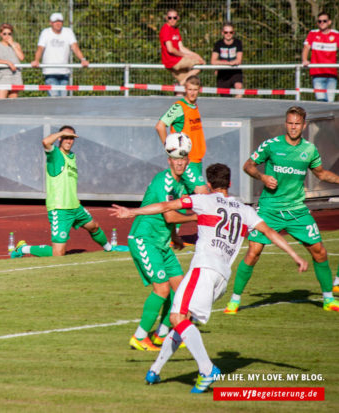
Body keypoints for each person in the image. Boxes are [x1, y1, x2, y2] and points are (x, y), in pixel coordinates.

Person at [112, 163, 308, 393]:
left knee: (176, 317)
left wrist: (132, 212)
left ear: (208, 185)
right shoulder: (244, 209)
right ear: (230, 183)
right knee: (183, 322)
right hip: (222, 278)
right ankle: (155, 370)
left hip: (203, 269)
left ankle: (206, 369)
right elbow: (271, 232)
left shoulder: (204, 200)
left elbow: (166, 206)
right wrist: (295, 255)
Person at [224, 106, 339, 315]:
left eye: (297, 124)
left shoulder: (309, 150)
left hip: (297, 210)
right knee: (254, 252)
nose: (293, 127)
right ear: (285, 123)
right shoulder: (271, 145)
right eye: (290, 123)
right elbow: (248, 165)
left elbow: (321, 174)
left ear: (304, 126)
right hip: (269, 209)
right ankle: (234, 300)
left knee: (319, 252)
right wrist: (262, 177)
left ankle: (328, 299)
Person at [109, 134, 197, 352]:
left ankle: (162, 334)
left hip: (162, 243)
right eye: (175, 159)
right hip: (144, 239)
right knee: (162, 288)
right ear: (169, 161)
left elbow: (170, 218)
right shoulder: (165, 181)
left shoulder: (182, 184)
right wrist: (197, 217)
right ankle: (139, 337)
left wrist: (175, 237)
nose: (179, 162)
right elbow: (169, 216)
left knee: (181, 288)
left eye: (183, 159)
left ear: (187, 161)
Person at [10, 126, 114, 258]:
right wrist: (61, 132)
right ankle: (23, 249)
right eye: (66, 137)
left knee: (93, 226)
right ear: (60, 138)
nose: (69, 141)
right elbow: (45, 142)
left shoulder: (72, 156)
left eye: (71, 138)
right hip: (60, 209)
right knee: (58, 254)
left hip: (75, 206)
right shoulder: (55, 155)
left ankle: (110, 249)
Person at [155, 75, 208, 194]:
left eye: (195, 90)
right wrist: (170, 148)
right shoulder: (179, 107)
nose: (192, 93)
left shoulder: (194, 106)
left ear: (199, 90)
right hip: (187, 161)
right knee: (204, 195)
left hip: (197, 160)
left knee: (184, 198)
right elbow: (160, 126)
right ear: (185, 89)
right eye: (190, 90)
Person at [31, 12, 89, 97]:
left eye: (60, 21)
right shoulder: (46, 33)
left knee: (63, 99)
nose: (58, 24)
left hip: (64, 72)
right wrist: (36, 60)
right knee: (54, 99)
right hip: (50, 72)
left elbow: (75, 48)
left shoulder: (68, 32)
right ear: (50, 23)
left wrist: (83, 59)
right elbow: (40, 48)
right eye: (55, 21)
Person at [159, 9, 205, 89]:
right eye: (170, 18)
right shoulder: (166, 29)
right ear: (166, 18)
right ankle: (181, 83)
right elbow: (171, 49)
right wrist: (187, 56)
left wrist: (195, 55)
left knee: (187, 85)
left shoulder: (175, 29)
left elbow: (181, 47)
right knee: (202, 63)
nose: (172, 20)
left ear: (178, 18)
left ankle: (180, 87)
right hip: (173, 61)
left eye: (174, 18)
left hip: (177, 59)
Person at [301, 12, 339, 102]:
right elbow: (306, 47)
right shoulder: (313, 33)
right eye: (319, 21)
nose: (322, 23)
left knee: (330, 102)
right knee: (321, 100)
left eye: (324, 21)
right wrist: (305, 60)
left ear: (329, 22)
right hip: (317, 73)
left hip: (331, 74)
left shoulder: (336, 34)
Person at [0, 23, 24, 99]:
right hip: (3, 76)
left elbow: (21, 57)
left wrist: (12, 44)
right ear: (1, 34)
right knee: (1, 102)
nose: (7, 36)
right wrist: (7, 62)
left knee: (13, 103)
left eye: (9, 34)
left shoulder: (16, 45)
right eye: (4, 34)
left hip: (15, 75)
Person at [210, 22, 243, 98]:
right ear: (222, 33)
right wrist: (228, 63)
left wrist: (231, 63)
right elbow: (213, 61)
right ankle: (230, 108)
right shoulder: (218, 44)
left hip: (235, 71)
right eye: (226, 32)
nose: (228, 34)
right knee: (225, 97)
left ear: (233, 33)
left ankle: (237, 107)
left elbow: (239, 60)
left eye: (231, 32)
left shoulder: (238, 43)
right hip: (223, 73)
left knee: (239, 88)